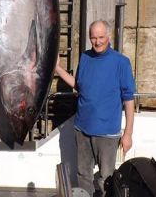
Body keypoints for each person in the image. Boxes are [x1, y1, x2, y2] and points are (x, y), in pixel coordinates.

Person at [55, 20, 135, 197]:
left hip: (107, 133)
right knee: (83, 175)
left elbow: (129, 100)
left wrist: (128, 134)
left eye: (101, 37)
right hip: (82, 129)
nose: (97, 42)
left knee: (106, 178)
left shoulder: (121, 62)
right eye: (93, 38)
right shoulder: (85, 57)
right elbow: (78, 85)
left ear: (109, 36)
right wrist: (57, 68)